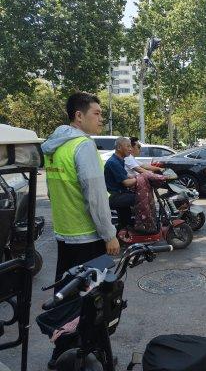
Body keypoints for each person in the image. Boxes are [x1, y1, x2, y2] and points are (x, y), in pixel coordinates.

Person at [42, 92, 120, 367]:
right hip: (87, 237)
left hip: (65, 235)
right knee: (93, 303)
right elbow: (96, 196)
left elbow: (52, 193)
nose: (101, 118)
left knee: (66, 299)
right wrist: (109, 235)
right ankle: (90, 354)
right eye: (97, 113)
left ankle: (61, 351)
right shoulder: (82, 146)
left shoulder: (53, 148)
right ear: (79, 115)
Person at [104, 137, 137, 234]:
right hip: (116, 196)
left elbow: (128, 176)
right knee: (142, 198)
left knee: (124, 220)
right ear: (119, 147)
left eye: (131, 146)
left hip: (121, 194)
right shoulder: (113, 162)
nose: (130, 149)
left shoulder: (119, 160)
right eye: (128, 146)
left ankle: (123, 232)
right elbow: (126, 182)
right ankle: (143, 224)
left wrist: (137, 177)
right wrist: (141, 177)